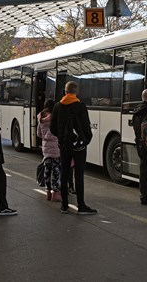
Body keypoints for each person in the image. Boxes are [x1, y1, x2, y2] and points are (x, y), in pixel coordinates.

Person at [50, 81, 96, 215]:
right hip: (79, 146)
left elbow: (53, 128)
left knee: (64, 174)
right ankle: (81, 206)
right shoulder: (80, 106)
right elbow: (86, 126)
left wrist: (62, 138)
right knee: (79, 175)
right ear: (77, 92)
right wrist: (85, 140)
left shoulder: (58, 106)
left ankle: (64, 206)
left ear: (65, 91)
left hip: (64, 146)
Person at [36, 100, 61, 202]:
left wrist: (45, 136)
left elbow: (39, 134)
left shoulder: (41, 119)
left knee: (47, 170)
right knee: (55, 171)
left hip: (45, 149)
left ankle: (48, 192)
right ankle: (55, 193)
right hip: (55, 148)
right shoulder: (55, 118)